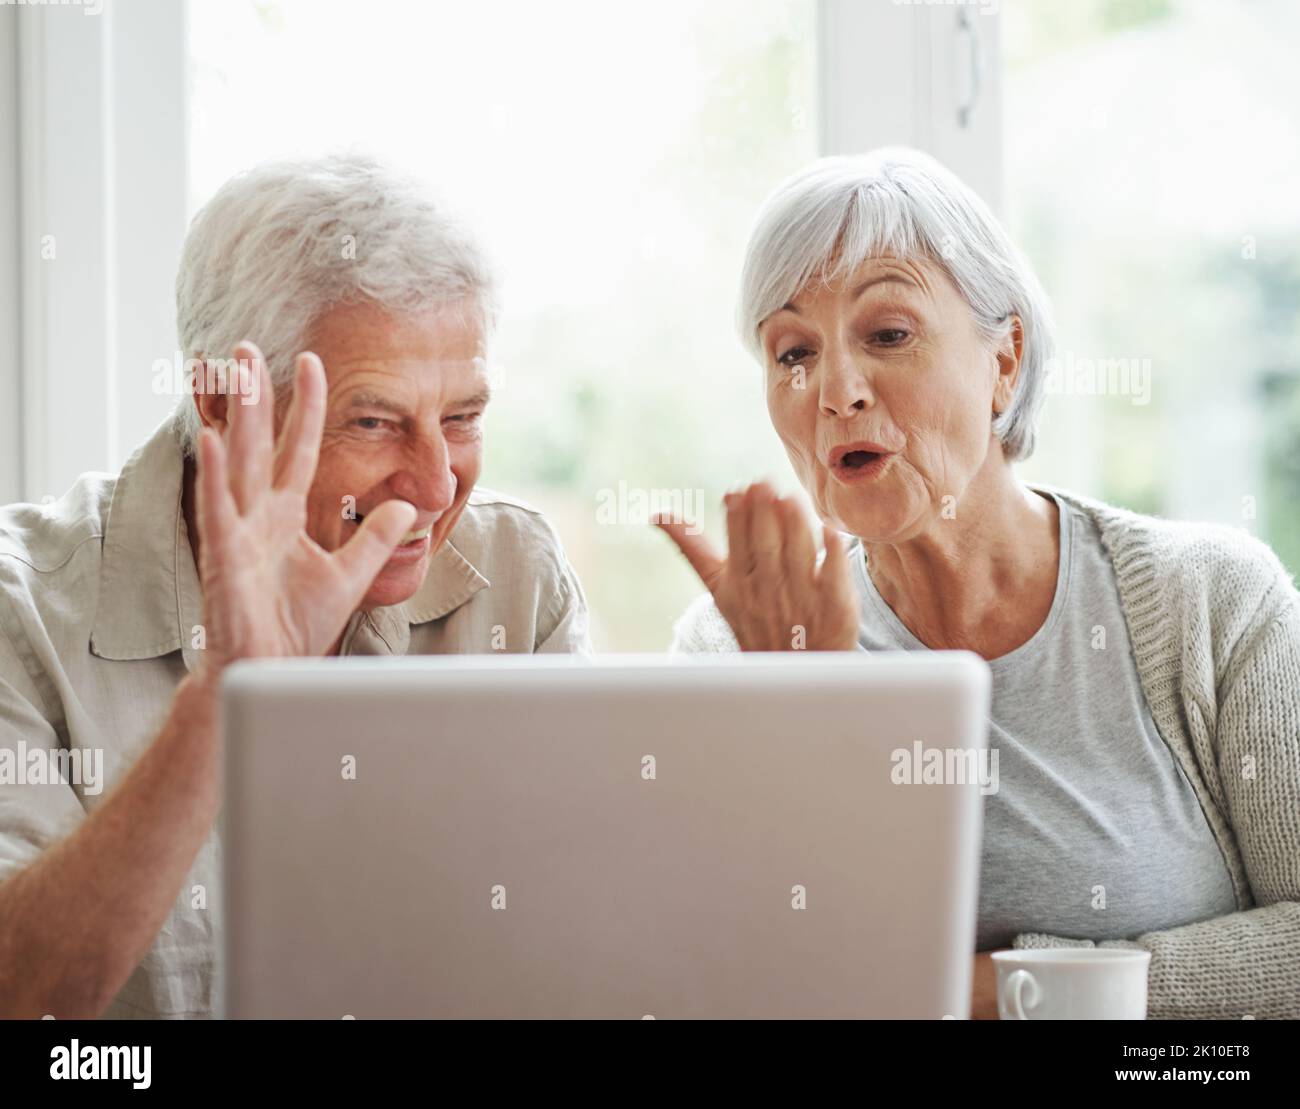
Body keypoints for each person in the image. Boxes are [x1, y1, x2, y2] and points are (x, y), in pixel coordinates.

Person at [657, 147, 1300, 1019]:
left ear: (1005, 360)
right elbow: (728, 980)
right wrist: (806, 715)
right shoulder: (732, 646)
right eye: (793, 351)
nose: (836, 390)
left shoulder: (1214, 601)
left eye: (888, 334)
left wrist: (1007, 989)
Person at [0, 154, 589, 1018]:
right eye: (373, 421)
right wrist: (222, 703)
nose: (435, 486)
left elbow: (583, 941)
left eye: (462, 417)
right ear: (219, 403)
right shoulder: (21, 609)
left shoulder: (516, 577)